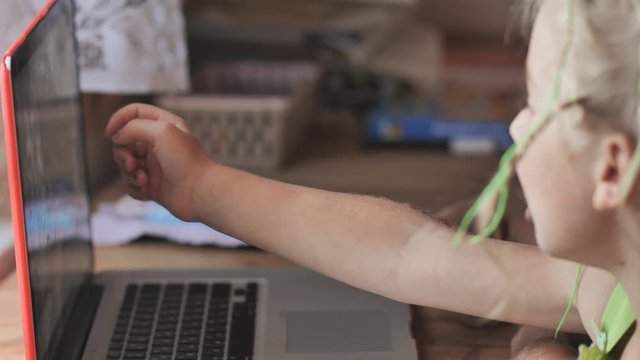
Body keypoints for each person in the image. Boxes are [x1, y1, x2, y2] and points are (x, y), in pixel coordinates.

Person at [105, 0, 640, 358]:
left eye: (538, 106)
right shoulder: (608, 285)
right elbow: (410, 252)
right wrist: (204, 188)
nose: (516, 126)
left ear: (612, 169)